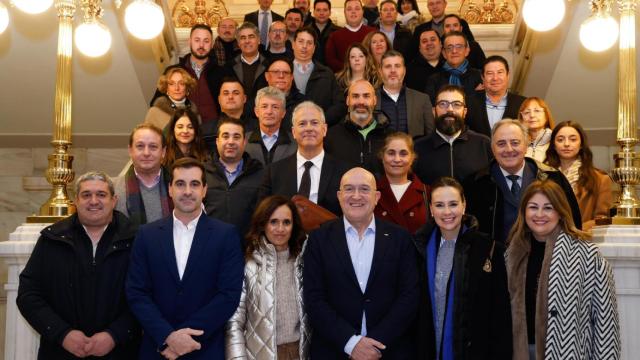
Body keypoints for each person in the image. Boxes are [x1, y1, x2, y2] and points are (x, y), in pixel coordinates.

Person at [126, 157, 244, 359]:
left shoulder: (226, 235)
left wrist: (185, 338)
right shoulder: (147, 235)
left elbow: (228, 295)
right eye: (180, 184)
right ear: (170, 189)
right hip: (158, 348)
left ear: (204, 190)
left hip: (204, 348)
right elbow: (137, 292)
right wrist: (167, 336)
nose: (187, 191)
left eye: (194, 184)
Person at [17, 171, 141, 359]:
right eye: (86, 195)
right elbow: (29, 295)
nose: (93, 201)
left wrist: (115, 335)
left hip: (121, 351)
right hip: (60, 350)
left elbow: (148, 296)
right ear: (76, 201)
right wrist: (62, 333)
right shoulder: (52, 239)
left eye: (101, 194)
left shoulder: (137, 240)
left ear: (114, 200)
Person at [304, 167, 419, 358]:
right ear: (339, 196)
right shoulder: (318, 239)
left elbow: (409, 296)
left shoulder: (400, 238)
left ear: (377, 197)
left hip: (389, 350)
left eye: (365, 189)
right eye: (349, 189)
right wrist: (351, 343)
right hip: (335, 350)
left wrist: (374, 344)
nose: (356, 196)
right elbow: (314, 299)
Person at [506, 180, 620, 359]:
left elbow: (605, 322)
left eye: (548, 208)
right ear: (524, 211)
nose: (540, 214)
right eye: (533, 207)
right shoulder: (511, 254)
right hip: (518, 352)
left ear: (560, 212)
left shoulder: (587, 255)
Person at [413, 177, 512, 360]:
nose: (447, 211)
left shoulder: (488, 249)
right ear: (431, 209)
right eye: (440, 205)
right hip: (427, 349)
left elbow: (501, 315)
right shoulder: (418, 248)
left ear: (464, 206)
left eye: (453, 204)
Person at [463, 119, 581, 244]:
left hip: (546, 257)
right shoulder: (475, 184)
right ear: (492, 148)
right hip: (496, 260)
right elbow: (469, 233)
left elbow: (572, 223)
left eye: (515, 143)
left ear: (526, 145)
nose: (509, 149)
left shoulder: (553, 178)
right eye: (501, 144)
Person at [225, 195, 309, 359]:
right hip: (260, 354)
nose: (280, 228)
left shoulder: (304, 262)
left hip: (301, 352)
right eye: (273, 221)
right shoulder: (247, 265)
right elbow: (234, 323)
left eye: (286, 222)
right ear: (263, 224)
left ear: (294, 226)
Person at [260, 101, 348, 216]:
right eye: (302, 124)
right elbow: (264, 215)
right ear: (294, 132)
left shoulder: (344, 173)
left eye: (314, 123)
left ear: (325, 129)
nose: (309, 128)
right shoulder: (273, 172)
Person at [414, 85, 492, 185]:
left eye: (456, 104)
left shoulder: (484, 145)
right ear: (434, 111)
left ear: (465, 112)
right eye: (443, 104)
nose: (450, 109)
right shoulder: (417, 148)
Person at [545, 121, 613, 230]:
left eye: (573, 139)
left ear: (581, 144)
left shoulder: (600, 179)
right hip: (547, 239)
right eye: (560, 139)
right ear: (553, 145)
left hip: (582, 240)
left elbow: (602, 220)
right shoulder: (542, 176)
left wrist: (574, 230)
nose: (566, 144)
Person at [149, 25, 223, 123]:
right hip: (183, 132)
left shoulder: (222, 72)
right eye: (197, 40)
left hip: (214, 131)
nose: (201, 45)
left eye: (206, 41)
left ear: (212, 44)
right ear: (189, 41)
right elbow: (157, 102)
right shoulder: (172, 71)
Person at [205, 117, 265, 236]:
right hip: (210, 246)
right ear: (217, 141)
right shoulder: (201, 173)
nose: (231, 142)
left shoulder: (260, 174)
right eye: (225, 136)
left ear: (244, 142)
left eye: (236, 137)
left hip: (248, 249)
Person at [325, 79, 393, 175]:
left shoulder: (391, 138)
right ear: (348, 101)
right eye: (355, 96)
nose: (361, 102)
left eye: (366, 96)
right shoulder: (330, 137)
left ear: (374, 100)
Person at [114, 124, 172, 229]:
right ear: (130, 150)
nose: (146, 153)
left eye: (153, 147)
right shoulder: (113, 188)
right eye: (140, 146)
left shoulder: (179, 186)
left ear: (163, 152)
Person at [374, 132, 428, 233]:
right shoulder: (371, 192)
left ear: (412, 158)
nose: (397, 159)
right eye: (391, 153)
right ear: (382, 157)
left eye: (403, 153)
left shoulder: (427, 193)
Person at [292, 28, 347, 125]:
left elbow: (340, 104)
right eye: (301, 42)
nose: (304, 46)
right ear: (293, 44)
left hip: (320, 131)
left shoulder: (326, 73)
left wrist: (321, 120)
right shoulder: (282, 71)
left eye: (309, 43)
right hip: (288, 132)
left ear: (314, 48)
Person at [376, 50, 434, 137]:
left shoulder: (422, 99)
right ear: (380, 71)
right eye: (388, 66)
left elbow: (431, 137)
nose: (393, 70)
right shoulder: (370, 99)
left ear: (404, 70)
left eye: (397, 66)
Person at [466, 55, 526, 137]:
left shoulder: (523, 104)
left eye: (500, 72)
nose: (495, 78)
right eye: (490, 73)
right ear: (482, 77)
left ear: (508, 75)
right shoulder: (468, 102)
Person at [424, 31, 482, 103]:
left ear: (467, 50)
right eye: (449, 47)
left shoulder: (480, 76)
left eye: (459, 47)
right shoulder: (433, 80)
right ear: (444, 53)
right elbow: (431, 108)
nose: (454, 51)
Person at [245, 86, 298, 165]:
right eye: (264, 106)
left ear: (283, 113)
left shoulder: (296, 143)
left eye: (275, 107)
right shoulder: (243, 141)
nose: (269, 111)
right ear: (256, 112)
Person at [201, 78, 252, 150]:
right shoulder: (205, 130)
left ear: (244, 98)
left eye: (236, 93)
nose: (230, 97)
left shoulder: (257, 128)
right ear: (219, 99)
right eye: (226, 93)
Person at [325, 0, 376, 72]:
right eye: (349, 9)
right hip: (343, 79)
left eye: (357, 9)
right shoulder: (334, 36)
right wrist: (350, 69)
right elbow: (330, 60)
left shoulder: (373, 33)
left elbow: (378, 57)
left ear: (362, 12)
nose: (353, 12)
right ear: (344, 13)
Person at [262, 57, 306, 129]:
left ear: (292, 77)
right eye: (276, 72)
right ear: (267, 76)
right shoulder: (257, 102)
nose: (281, 76)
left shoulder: (304, 104)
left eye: (285, 72)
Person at [228, 22, 268, 100]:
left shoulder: (270, 65)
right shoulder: (228, 67)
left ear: (259, 40)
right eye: (243, 38)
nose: (247, 41)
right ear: (238, 43)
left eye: (251, 37)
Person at [518, 97, 555, 162]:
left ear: (546, 115)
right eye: (527, 112)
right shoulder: (516, 141)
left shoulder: (555, 141)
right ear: (522, 119)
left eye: (537, 111)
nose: (532, 115)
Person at [310, 0, 341, 65]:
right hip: (311, 70)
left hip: (332, 70)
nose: (321, 13)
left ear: (330, 12)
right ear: (314, 12)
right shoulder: (306, 31)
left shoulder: (338, 31)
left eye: (325, 10)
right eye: (318, 10)